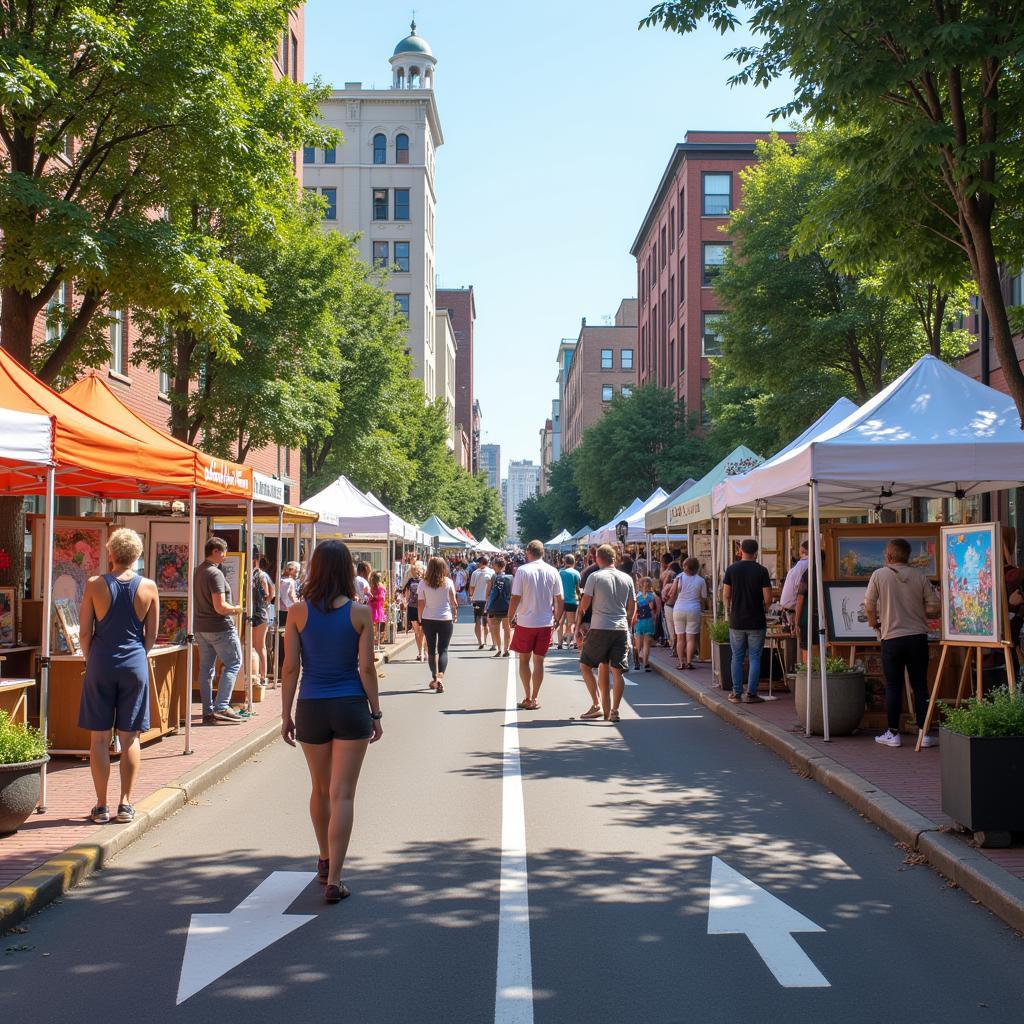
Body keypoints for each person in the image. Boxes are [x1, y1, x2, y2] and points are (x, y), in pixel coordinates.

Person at [280, 540, 382, 904]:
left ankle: (322, 859)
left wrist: (285, 714)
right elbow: (367, 668)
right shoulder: (360, 613)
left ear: (314, 568)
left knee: (319, 789)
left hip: (311, 705)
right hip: (350, 705)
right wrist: (377, 712)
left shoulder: (296, 612)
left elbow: (290, 667)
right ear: (347, 571)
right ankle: (336, 877)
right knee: (344, 794)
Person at [78, 528, 159, 824]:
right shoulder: (148, 587)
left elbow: (85, 631)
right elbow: (151, 635)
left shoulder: (94, 584)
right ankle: (125, 804)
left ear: (111, 554)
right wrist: (138, 654)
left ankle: (101, 806)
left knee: (99, 739)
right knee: (130, 737)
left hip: (101, 661)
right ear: (136, 555)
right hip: (134, 662)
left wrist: (93, 657)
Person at [864, 538, 941, 749]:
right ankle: (924, 733)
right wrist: (918, 612)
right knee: (920, 685)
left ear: (889, 555)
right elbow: (935, 606)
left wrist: (875, 625)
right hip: (917, 637)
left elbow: (869, 605)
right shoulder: (920, 576)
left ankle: (893, 733)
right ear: (908, 556)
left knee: (893, 685)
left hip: (892, 637)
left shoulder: (879, 575)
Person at [576, 544, 636, 722]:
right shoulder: (627, 578)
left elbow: (584, 605)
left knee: (586, 665)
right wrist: (627, 623)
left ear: (597, 559)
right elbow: (633, 605)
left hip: (600, 627)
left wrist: (578, 625)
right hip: (620, 628)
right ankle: (615, 710)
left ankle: (596, 704)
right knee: (617, 671)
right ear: (614, 559)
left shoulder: (595, 576)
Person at [194, 537, 245, 724]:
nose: (225, 556)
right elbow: (220, 606)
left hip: (201, 627)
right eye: (223, 551)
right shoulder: (214, 574)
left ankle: (208, 711)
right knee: (234, 663)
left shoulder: (199, 570)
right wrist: (237, 609)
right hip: (219, 627)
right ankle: (222, 706)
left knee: (206, 670)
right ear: (215, 551)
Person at [508, 539, 563, 710]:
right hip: (545, 622)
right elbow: (560, 599)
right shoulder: (553, 571)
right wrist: (558, 619)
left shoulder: (522, 571)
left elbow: (516, 597)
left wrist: (510, 616)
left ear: (528, 553)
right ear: (543, 553)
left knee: (524, 660)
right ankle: (535, 697)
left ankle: (526, 696)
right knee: (539, 662)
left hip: (525, 621)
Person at [722, 538, 772, 705]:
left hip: (737, 620)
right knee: (755, 657)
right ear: (756, 552)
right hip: (756, 620)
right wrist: (764, 608)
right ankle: (751, 693)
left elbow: (726, 595)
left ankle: (736, 693)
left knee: (736, 657)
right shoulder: (762, 571)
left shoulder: (732, 569)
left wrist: (729, 610)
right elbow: (768, 598)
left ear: (741, 550)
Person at [418, 556, 458, 692]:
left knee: (431, 649)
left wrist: (420, 619)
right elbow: (453, 602)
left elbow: (421, 603)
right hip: (445, 618)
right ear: (444, 568)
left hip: (428, 618)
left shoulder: (423, 583)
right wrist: (455, 614)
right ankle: (441, 676)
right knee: (443, 649)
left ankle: (435, 677)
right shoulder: (448, 582)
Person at [672, 557, 708, 670]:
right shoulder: (701, 580)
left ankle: (681, 662)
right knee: (691, 638)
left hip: (679, 608)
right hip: (694, 609)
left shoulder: (679, 577)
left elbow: (672, 592)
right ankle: (689, 662)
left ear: (685, 566)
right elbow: (704, 596)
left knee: (680, 637)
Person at [251, 549, 272, 688]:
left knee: (259, 645)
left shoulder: (261, 575)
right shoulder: (253, 574)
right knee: (254, 645)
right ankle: (257, 674)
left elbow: (269, 593)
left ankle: (263, 675)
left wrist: (264, 604)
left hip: (259, 613)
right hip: (256, 612)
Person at [485, 556, 514, 656]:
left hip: (495, 607)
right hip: (507, 607)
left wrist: (487, 605)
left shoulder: (493, 577)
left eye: (493, 564)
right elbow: (512, 593)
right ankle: (507, 649)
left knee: (495, 628)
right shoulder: (510, 578)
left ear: (497, 566)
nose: (492, 566)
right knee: (507, 629)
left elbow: (488, 593)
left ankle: (499, 648)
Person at [780, 540, 809, 631]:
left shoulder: (801, 565)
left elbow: (799, 591)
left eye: (801, 552)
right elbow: (799, 592)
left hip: (792, 608)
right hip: (794, 608)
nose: (800, 555)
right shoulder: (805, 564)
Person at [633, 576, 660, 672]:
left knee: (638, 645)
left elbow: (634, 610)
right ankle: (646, 664)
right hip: (649, 621)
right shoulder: (653, 597)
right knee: (646, 645)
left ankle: (636, 663)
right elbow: (654, 610)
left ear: (639, 585)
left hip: (639, 621)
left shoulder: (636, 596)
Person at [469, 556, 495, 650]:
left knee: (477, 620)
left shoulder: (475, 573)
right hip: (488, 600)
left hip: (477, 600)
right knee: (487, 621)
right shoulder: (492, 572)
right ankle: (486, 639)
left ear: (480, 563)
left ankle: (480, 642)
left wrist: (471, 596)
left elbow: (472, 587)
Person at [401, 562, 425, 661]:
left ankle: (421, 652)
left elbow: (406, 593)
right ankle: (422, 652)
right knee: (420, 631)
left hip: (414, 607)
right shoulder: (423, 581)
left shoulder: (413, 581)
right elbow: (406, 593)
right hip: (420, 608)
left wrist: (406, 602)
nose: (416, 572)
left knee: (418, 632)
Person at [557, 554, 581, 649]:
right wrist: (580, 599)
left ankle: (559, 643)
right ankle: (572, 642)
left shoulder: (560, 572)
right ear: (574, 562)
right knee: (571, 623)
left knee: (560, 622)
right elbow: (578, 588)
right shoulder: (576, 573)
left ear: (565, 562)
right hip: (572, 601)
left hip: (561, 600)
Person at [659, 553, 678, 650]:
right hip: (679, 606)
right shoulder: (680, 577)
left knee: (671, 626)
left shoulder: (666, 574)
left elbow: (663, 594)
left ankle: (674, 645)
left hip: (669, 605)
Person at [368, 571, 387, 651]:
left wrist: (373, 598)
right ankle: (377, 643)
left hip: (371, 607)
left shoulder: (370, 586)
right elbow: (382, 598)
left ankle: (373, 642)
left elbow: (368, 596)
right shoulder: (381, 587)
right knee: (378, 626)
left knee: (372, 626)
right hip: (377, 608)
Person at [279, 561, 300, 629]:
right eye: (296, 571)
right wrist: (298, 605)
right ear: (291, 570)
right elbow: (290, 596)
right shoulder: (289, 581)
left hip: (281, 609)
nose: (297, 574)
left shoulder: (281, 580)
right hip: (288, 610)